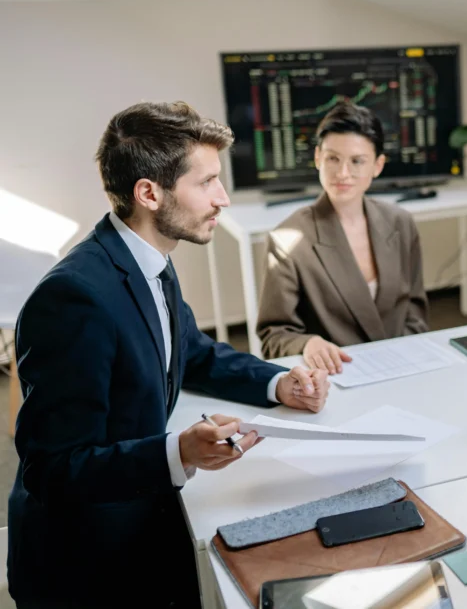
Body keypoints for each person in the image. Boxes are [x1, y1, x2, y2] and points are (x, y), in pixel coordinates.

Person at [8, 102, 331, 608]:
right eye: (206, 183)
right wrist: (177, 452)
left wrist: (277, 383)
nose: (222, 199)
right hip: (87, 562)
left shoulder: (146, 256)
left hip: (146, 517)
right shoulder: (75, 299)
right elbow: (53, 469)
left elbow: (191, 351)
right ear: (149, 193)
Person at [257, 102, 428, 372]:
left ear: (378, 165)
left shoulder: (401, 223)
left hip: (401, 368)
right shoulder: (287, 240)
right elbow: (274, 335)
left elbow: (415, 313)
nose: (343, 173)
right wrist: (308, 344)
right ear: (317, 158)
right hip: (335, 376)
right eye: (333, 158)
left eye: (357, 161)